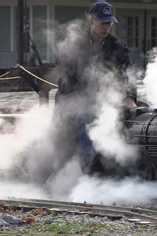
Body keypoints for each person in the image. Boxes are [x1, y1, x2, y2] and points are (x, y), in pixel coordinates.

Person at [53, 1, 137, 175]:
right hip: (75, 100)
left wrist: (130, 98)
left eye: (109, 23)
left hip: (107, 100)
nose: (106, 27)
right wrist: (88, 98)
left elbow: (127, 75)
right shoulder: (74, 45)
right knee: (85, 120)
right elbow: (65, 80)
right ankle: (89, 173)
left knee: (137, 116)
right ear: (92, 20)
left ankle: (128, 169)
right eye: (103, 22)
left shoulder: (118, 46)